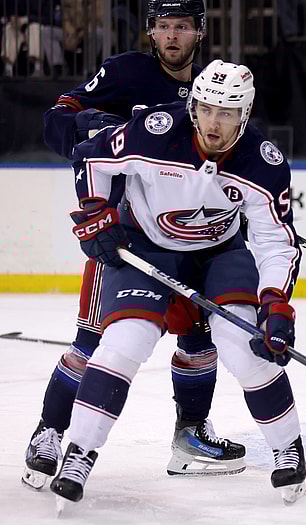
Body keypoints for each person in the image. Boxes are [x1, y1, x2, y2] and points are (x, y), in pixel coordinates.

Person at [49, 60, 306, 505]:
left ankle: (288, 449)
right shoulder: (156, 131)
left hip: (219, 253)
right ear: (193, 106)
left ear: (244, 115)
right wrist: (96, 212)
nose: (213, 123)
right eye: (205, 109)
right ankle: (80, 453)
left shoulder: (263, 162)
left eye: (226, 113)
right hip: (147, 246)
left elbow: (274, 243)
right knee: (123, 342)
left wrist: (276, 304)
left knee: (243, 345)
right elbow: (91, 157)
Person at [24, 0, 245, 492]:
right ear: (150, 32)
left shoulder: (215, 85)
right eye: (163, 27)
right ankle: (49, 432)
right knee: (92, 343)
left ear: (199, 32)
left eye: (181, 27)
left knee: (199, 342)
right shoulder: (125, 73)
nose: (172, 36)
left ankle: (190, 435)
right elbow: (59, 119)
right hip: (126, 236)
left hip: (193, 240)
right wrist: (90, 126)